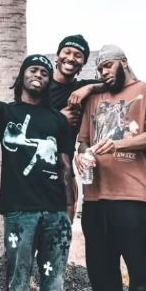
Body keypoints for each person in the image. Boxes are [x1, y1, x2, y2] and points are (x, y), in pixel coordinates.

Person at [0, 54, 75, 290]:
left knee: (54, 280)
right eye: (33, 70)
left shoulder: (59, 120)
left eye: (44, 73)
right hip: (19, 212)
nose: (38, 75)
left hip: (55, 213)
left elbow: (66, 167)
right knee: (18, 280)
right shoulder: (6, 112)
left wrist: (67, 213)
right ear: (22, 75)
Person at [75, 44, 146, 291]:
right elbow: (83, 141)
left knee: (139, 276)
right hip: (93, 200)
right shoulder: (93, 99)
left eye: (107, 66)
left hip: (131, 198)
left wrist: (117, 144)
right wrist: (82, 156)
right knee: (101, 278)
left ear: (123, 61)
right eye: (99, 69)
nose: (103, 72)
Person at [50, 34, 104, 212]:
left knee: (64, 228)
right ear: (57, 56)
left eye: (78, 55)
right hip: (35, 167)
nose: (71, 58)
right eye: (67, 52)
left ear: (83, 63)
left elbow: (121, 81)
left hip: (65, 168)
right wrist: (59, 118)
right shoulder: (41, 85)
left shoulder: (84, 87)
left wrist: (89, 88)